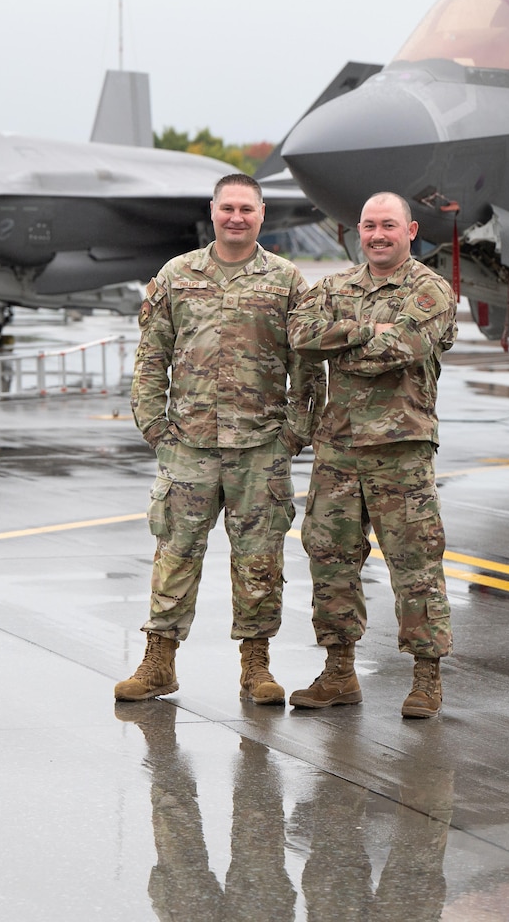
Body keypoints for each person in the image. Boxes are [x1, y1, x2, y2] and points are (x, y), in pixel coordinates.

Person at [116, 172, 323, 704]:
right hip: (188, 446)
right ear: (213, 211)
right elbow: (151, 357)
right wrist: (155, 429)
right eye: (227, 208)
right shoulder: (177, 274)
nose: (236, 217)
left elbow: (306, 367)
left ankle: (256, 667)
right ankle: (158, 662)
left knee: (259, 561)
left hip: (260, 450)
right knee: (175, 554)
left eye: (246, 210)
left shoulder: (286, 281)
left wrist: (294, 434)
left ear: (261, 216)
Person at [286, 191, 457, 717]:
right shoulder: (337, 286)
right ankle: (339, 672)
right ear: (357, 232)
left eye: (388, 225)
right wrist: (365, 331)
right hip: (337, 448)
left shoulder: (430, 289)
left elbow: (404, 349)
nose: (377, 234)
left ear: (410, 231)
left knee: (415, 563)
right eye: (368, 226)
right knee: (330, 558)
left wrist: (342, 345)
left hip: (400, 449)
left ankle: (426, 678)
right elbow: (298, 334)